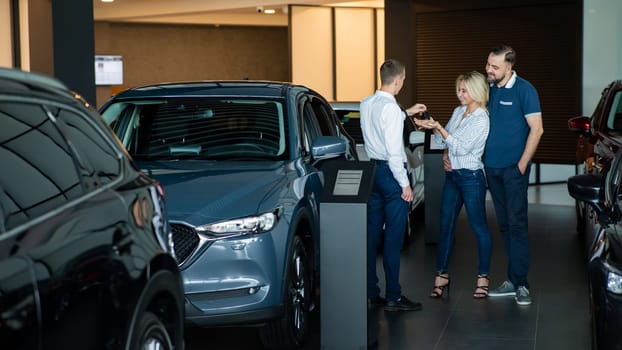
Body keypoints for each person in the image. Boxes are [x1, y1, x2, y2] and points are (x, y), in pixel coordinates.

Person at [414, 71, 493, 299]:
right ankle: (441, 276)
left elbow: (461, 147)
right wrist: (435, 131)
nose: (459, 94)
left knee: (479, 228)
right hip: (453, 177)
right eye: (458, 89)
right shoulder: (459, 111)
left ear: (476, 91)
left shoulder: (481, 118)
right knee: (445, 226)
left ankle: (483, 277)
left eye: (464, 90)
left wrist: (440, 129)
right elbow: (444, 142)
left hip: (471, 178)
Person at [361, 58, 427, 312]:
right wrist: (405, 185)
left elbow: (384, 118)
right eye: (403, 80)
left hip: (372, 172)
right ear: (399, 80)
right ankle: (393, 297)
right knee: (393, 239)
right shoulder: (390, 109)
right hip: (390, 175)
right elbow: (394, 153)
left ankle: (370, 292)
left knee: (371, 236)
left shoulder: (367, 103)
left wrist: (405, 112)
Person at [483, 45, 544, 306]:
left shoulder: (525, 90)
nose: (489, 70)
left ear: (509, 67)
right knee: (505, 225)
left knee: (517, 224)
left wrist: (521, 164)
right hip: (492, 168)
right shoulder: (488, 89)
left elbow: (537, 129)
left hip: (513, 169)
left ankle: (521, 283)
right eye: (488, 64)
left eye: (495, 67)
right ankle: (511, 279)